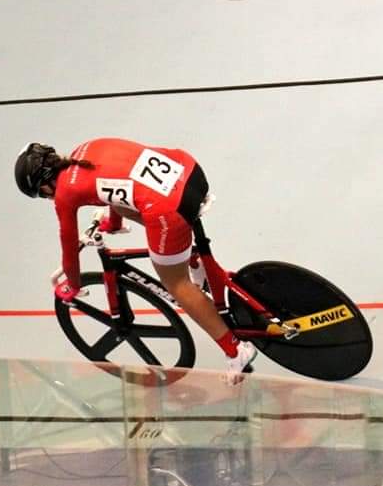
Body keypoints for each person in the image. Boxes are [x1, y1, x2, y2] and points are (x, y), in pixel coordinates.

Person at [14, 138, 257, 378]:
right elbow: (117, 184)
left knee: (177, 283)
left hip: (170, 207)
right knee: (148, 212)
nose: (48, 198)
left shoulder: (65, 194)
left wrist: (74, 285)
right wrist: (114, 222)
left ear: (44, 185)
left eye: (43, 195)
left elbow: (68, 244)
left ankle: (236, 351)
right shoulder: (84, 149)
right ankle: (194, 261)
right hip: (189, 171)